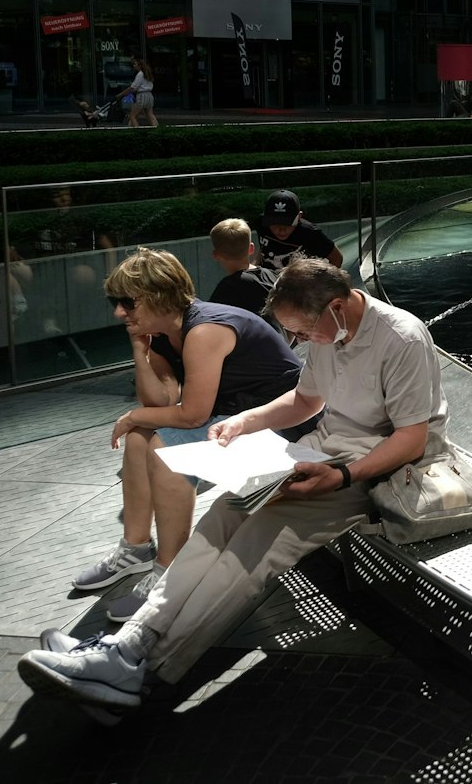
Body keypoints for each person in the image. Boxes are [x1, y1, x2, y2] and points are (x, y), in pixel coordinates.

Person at [17, 258, 450, 713]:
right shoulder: (327, 328)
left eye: (302, 333)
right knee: (224, 514)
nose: (299, 342)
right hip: (321, 450)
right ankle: (128, 643)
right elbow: (306, 398)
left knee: (253, 546)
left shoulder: (401, 337)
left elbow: (410, 438)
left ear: (337, 307)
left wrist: (342, 476)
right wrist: (247, 421)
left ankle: (148, 671)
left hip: (374, 468)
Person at [68, 248, 303, 623]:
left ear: (159, 295)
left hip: (283, 423)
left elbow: (190, 413)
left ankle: (170, 574)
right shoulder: (163, 333)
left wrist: (134, 415)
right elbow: (161, 400)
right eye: (117, 303)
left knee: (165, 446)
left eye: (127, 302)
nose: (118, 312)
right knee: (141, 435)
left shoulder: (206, 328)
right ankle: (136, 549)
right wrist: (138, 351)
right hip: (232, 416)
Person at [207, 218, 277, 321]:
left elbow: (210, 322)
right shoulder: (271, 276)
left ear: (216, 255)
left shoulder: (227, 289)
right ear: (251, 248)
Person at [256, 190, 342, 270]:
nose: (281, 230)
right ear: (266, 218)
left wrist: (322, 284)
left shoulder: (310, 234)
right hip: (267, 280)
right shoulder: (262, 224)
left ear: (299, 217)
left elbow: (337, 258)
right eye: (274, 222)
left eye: (288, 223)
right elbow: (263, 249)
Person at [126, 57, 158, 128]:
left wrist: (125, 93)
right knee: (151, 115)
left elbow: (133, 87)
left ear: (139, 65)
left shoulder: (140, 74)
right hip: (149, 95)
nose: (134, 66)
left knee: (132, 116)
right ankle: (157, 130)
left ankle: (137, 130)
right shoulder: (147, 73)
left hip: (141, 96)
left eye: (135, 64)